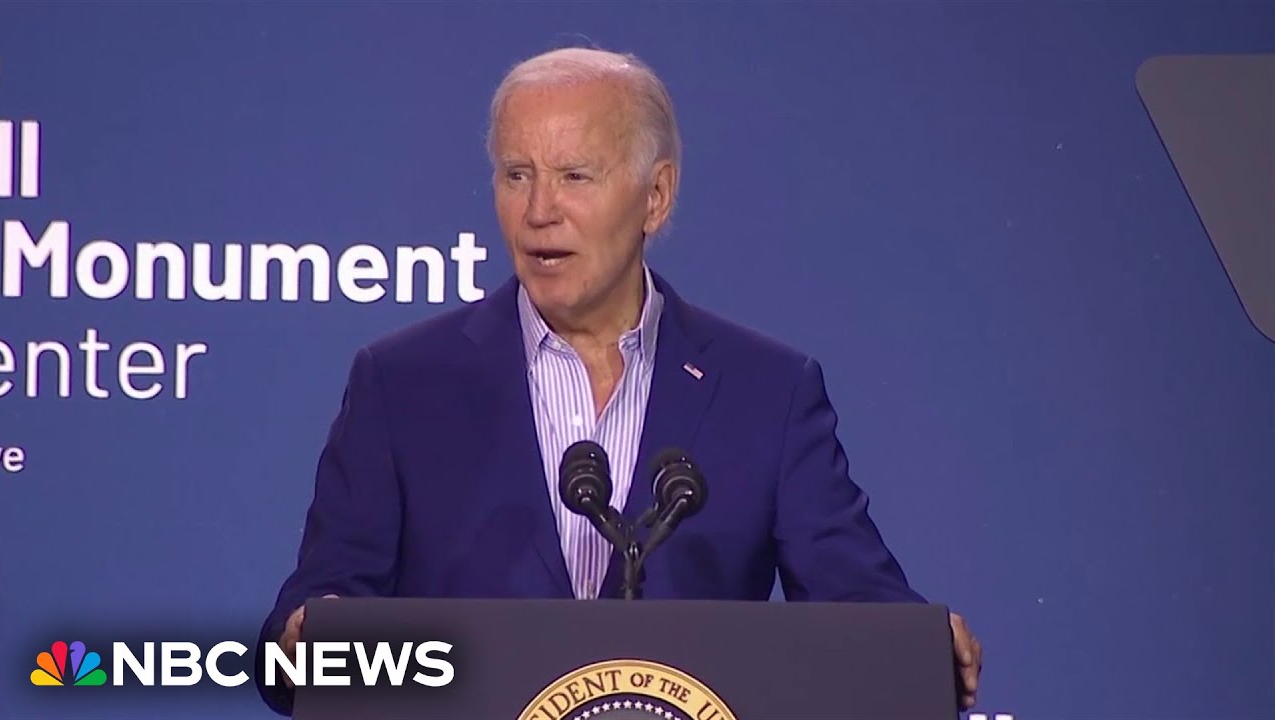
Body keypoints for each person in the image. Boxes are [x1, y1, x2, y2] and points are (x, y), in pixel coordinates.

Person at [255, 45, 982, 715]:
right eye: (517, 175)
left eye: (575, 176)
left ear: (655, 197)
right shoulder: (403, 384)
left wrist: (918, 643)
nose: (540, 211)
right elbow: (318, 609)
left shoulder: (768, 392)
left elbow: (853, 594)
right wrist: (308, 637)